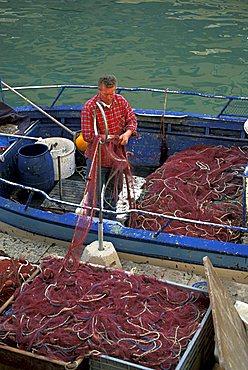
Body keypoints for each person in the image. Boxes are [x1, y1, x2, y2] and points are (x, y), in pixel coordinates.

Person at [81, 74, 137, 215]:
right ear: (99, 91)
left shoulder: (121, 101)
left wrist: (127, 133)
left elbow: (132, 120)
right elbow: (87, 135)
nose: (110, 97)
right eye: (106, 94)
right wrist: (110, 137)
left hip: (117, 159)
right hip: (97, 159)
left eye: (113, 93)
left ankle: (109, 216)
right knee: (94, 194)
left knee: (114, 192)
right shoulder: (89, 108)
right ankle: (93, 219)